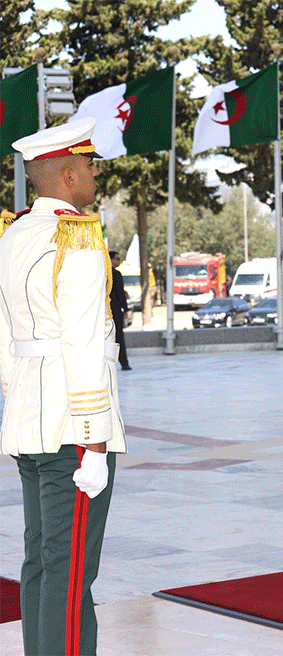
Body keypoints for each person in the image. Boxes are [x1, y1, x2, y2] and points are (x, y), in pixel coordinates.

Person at [0, 117, 126, 656]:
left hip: (31, 417)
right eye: (90, 165)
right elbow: (80, 344)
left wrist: (16, 400)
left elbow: (6, 333)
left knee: (42, 563)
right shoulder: (74, 236)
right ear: (69, 174)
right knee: (72, 573)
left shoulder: (16, 232)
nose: (96, 173)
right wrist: (94, 441)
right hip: (73, 426)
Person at [109, 250, 132, 370]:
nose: (119, 261)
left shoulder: (101, 273)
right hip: (116, 310)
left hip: (104, 311)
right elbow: (120, 294)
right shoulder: (116, 274)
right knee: (119, 336)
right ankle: (124, 363)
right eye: (117, 259)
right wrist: (125, 308)